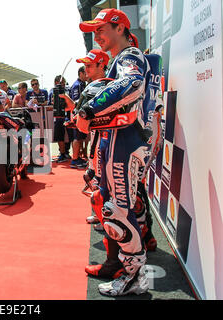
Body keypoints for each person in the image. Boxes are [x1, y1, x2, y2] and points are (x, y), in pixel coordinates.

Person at [76, 8, 160, 296]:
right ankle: (131, 273)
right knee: (113, 208)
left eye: (100, 29)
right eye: (93, 31)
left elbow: (132, 84)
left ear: (120, 28)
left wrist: (89, 108)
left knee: (117, 213)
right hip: (117, 140)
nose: (96, 35)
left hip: (125, 141)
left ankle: (135, 277)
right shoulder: (120, 59)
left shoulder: (128, 56)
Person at [62, 49, 110, 230]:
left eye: (90, 65)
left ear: (101, 65)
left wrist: (78, 117)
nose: (86, 68)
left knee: (102, 178)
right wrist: (72, 108)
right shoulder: (91, 85)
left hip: (105, 139)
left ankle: (106, 217)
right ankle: (99, 214)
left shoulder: (104, 85)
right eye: (85, 65)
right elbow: (80, 112)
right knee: (95, 177)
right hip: (95, 139)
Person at [49, 75, 74, 163]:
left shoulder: (69, 89)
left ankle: (67, 152)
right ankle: (62, 153)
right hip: (58, 116)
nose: (62, 84)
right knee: (59, 135)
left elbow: (73, 102)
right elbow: (49, 103)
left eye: (63, 82)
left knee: (71, 135)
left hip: (69, 115)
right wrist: (53, 102)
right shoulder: (52, 91)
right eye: (59, 82)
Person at [68, 67, 88, 169]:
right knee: (77, 137)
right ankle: (75, 159)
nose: (87, 75)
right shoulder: (78, 85)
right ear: (80, 73)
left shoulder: (80, 84)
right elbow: (76, 101)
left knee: (79, 137)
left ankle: (77, 157)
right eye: (85, 73)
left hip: (78, 114)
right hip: (77, 114)